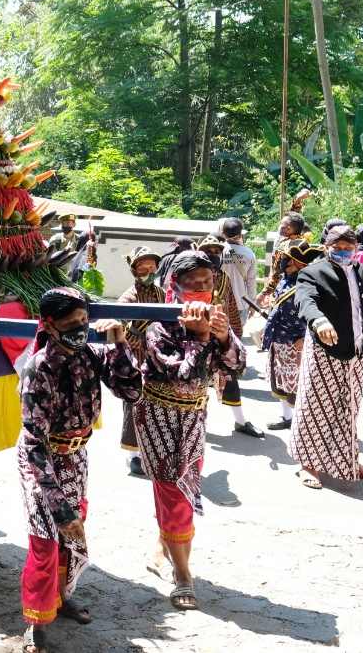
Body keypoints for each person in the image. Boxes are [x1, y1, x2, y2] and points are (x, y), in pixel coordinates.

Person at [17, 287, 136, 652]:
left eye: (84, 321)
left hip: (76, 457)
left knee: (71, 537)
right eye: (71, 323)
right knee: (46, 540)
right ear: (49, 326)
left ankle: (60, 599)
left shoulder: (92, 354)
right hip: (42, 463)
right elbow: (35, 445)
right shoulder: (38, 369)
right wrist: (59, 506)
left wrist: (119, 345)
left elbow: (130, 392)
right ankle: (35, 626)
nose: (80, 328)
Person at [136, 251, 245, 613]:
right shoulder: (158, 327)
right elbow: (183, 376)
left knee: (182, 489)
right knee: (174, 495)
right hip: (159, 419)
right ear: (175, 286)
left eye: (208, 282)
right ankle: (183, 575)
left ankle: (163, 546)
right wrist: (199, 338)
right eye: (192, 283)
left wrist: (225, 337)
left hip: (195, 419)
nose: (201, 289)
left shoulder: (216, 319)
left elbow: (238, 366)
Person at [289, 225, 363, 489]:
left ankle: (349, 461)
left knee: (349, 409)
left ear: (356, 248)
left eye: (347, 248)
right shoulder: (312, 272)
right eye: (337, 249)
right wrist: (319, 322)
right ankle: (307, 465)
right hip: (324, 350)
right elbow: (305, 301)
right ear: (327, 247)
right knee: (314, 409)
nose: (342, 253)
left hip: (355, 352)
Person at [196, 234, 263, 438]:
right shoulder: (191, 275)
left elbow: (231, 305)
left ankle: (241, 420)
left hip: (220, 335)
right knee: (194, 380)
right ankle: (193, 425)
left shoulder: (224, 277)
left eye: (217, 251)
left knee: (229, 376)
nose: (213, 255)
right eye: (209, 251)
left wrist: (235, 333)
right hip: (195, 337)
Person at [261, 241, 323, 430]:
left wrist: (306, 337)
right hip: (279, 336)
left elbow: (314, 310)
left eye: (286, 259)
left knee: (297, 382)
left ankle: (302, 421)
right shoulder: (285, 278)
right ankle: (287, 416)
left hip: (296, 339)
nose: (282, 261)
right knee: (280, 378)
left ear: (297, 263)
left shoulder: (307, 283)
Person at [118, 246, 162, 476]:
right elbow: (121, 334)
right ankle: (133, 454)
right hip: (135, 360)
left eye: (152, 266)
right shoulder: (128, 297)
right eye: (143, 267)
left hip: (156, 359)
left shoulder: (161, 294)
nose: (149, 271)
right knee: (134, 404)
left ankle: (150, 449)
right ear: (134, 271)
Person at [219, 217, 257, 323]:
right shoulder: (249, 254)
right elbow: (251, 282)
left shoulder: (217, 251)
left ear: (223, 233)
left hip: (220, 303)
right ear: (240, 235)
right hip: (241, 303)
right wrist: (252, 304)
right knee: (237, 336)